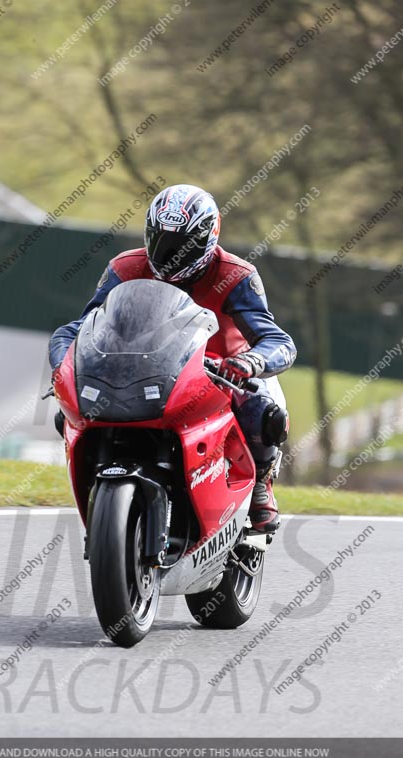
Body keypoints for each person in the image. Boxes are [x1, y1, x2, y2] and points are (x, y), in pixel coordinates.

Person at [49, 184, 296, 533]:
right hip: (145, 367)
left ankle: (259, 484)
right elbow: (82, 327)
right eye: (161, 240)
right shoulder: (125, 267)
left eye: (184, 245)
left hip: (219, 373)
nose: (170, 254)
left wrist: (250, 363)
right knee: (69, 412)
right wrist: (64, 365)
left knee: (263, 412)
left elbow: (277, 340)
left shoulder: (236, 276)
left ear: (210, 235)